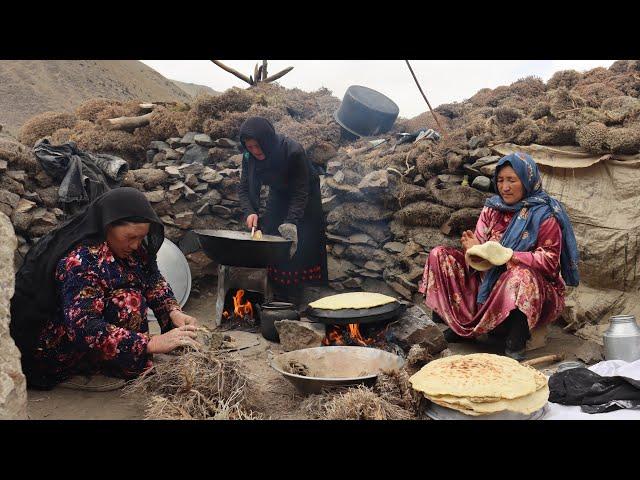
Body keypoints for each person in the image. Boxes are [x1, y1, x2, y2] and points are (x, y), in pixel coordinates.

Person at [10, 187, 200, 391]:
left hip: (87, 330)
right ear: (107, 226)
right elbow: (84, 327)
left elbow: (152, 279)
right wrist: (149, 344)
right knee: (127, 302)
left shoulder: (132, 250)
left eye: (140, 237)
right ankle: (92, 369)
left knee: (130, 297)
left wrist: (173, 311)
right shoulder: (81, 260)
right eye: (130, 237)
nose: (136, 245)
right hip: (54, 346)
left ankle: (114, 361)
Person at [419, 152, 580, 360]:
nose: (505, 187)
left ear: (527, 180)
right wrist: (474, 249)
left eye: (512, 180)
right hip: (487, 279)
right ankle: (461, 327)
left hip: (532, 290)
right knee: (439, 255)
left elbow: (549, 261)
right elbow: (480, 254)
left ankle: (516, 342)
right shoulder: (492, 208)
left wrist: (506, 255)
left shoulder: (544, 215)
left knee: (520, 276)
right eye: (501, 180)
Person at [238, 116, 328, 305]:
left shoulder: (293, 151)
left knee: (301, 240)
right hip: (279, 192)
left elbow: (300, 191)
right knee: (271, 229)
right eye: (250, 147)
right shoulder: (248, 156)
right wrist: (250, 211)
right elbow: (245, 187)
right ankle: (277, 290)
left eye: (257, 145)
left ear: (267, 141)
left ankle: (297, 293)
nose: (254, 151)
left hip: (306, 195)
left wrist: (291, 221)